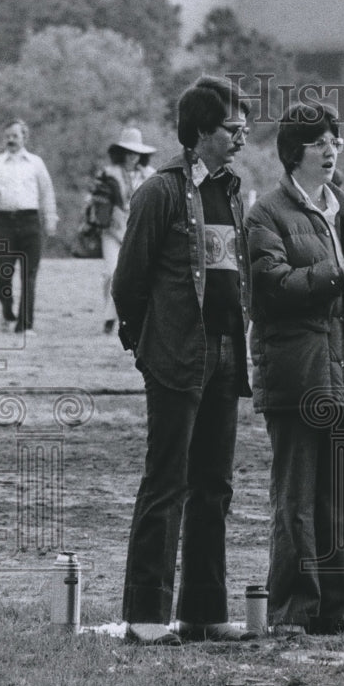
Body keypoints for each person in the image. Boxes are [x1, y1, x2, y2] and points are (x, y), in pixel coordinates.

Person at [112, 76, 255, 645]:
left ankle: (202, 613)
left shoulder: (233, 191)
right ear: (200, 132)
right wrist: (145, 346)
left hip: (225, 355)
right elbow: (129, 282)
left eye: (243, 125)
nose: (241, 134)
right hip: (174, 356)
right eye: (231, 126)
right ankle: (146, 619)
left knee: (213, 486)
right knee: (165, 482)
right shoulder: (160, 192)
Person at [245, 102, 344, 638]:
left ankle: (339, 614)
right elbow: (272, 287)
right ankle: (291, 614)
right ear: (292, 153)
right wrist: (340, 274)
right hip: (297, 377)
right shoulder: (266, 214)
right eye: (317, 142)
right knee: (296, 504)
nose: (331, 149)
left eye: (334, 139)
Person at [0, 118, 59, 335]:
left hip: (30, 221)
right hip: (5, 221)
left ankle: (25, 324)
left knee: (29, 274)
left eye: (15, 136)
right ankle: (8, 311)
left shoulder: (36, 163)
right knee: (1, 272)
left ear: (25, 137)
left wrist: (51, 219)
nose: (11, 140)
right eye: (7, 136)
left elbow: (47, 192)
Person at [94, 127, 157, 334]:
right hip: (113, 229)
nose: (132, 156)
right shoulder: (108, 173)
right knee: (111, 273)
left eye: (136, 152)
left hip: (138, 230)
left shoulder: (151, 175)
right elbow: (99, 203)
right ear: (121, 153)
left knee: (135, 276)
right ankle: (110, 316)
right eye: (128, 152)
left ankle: (121, 318)